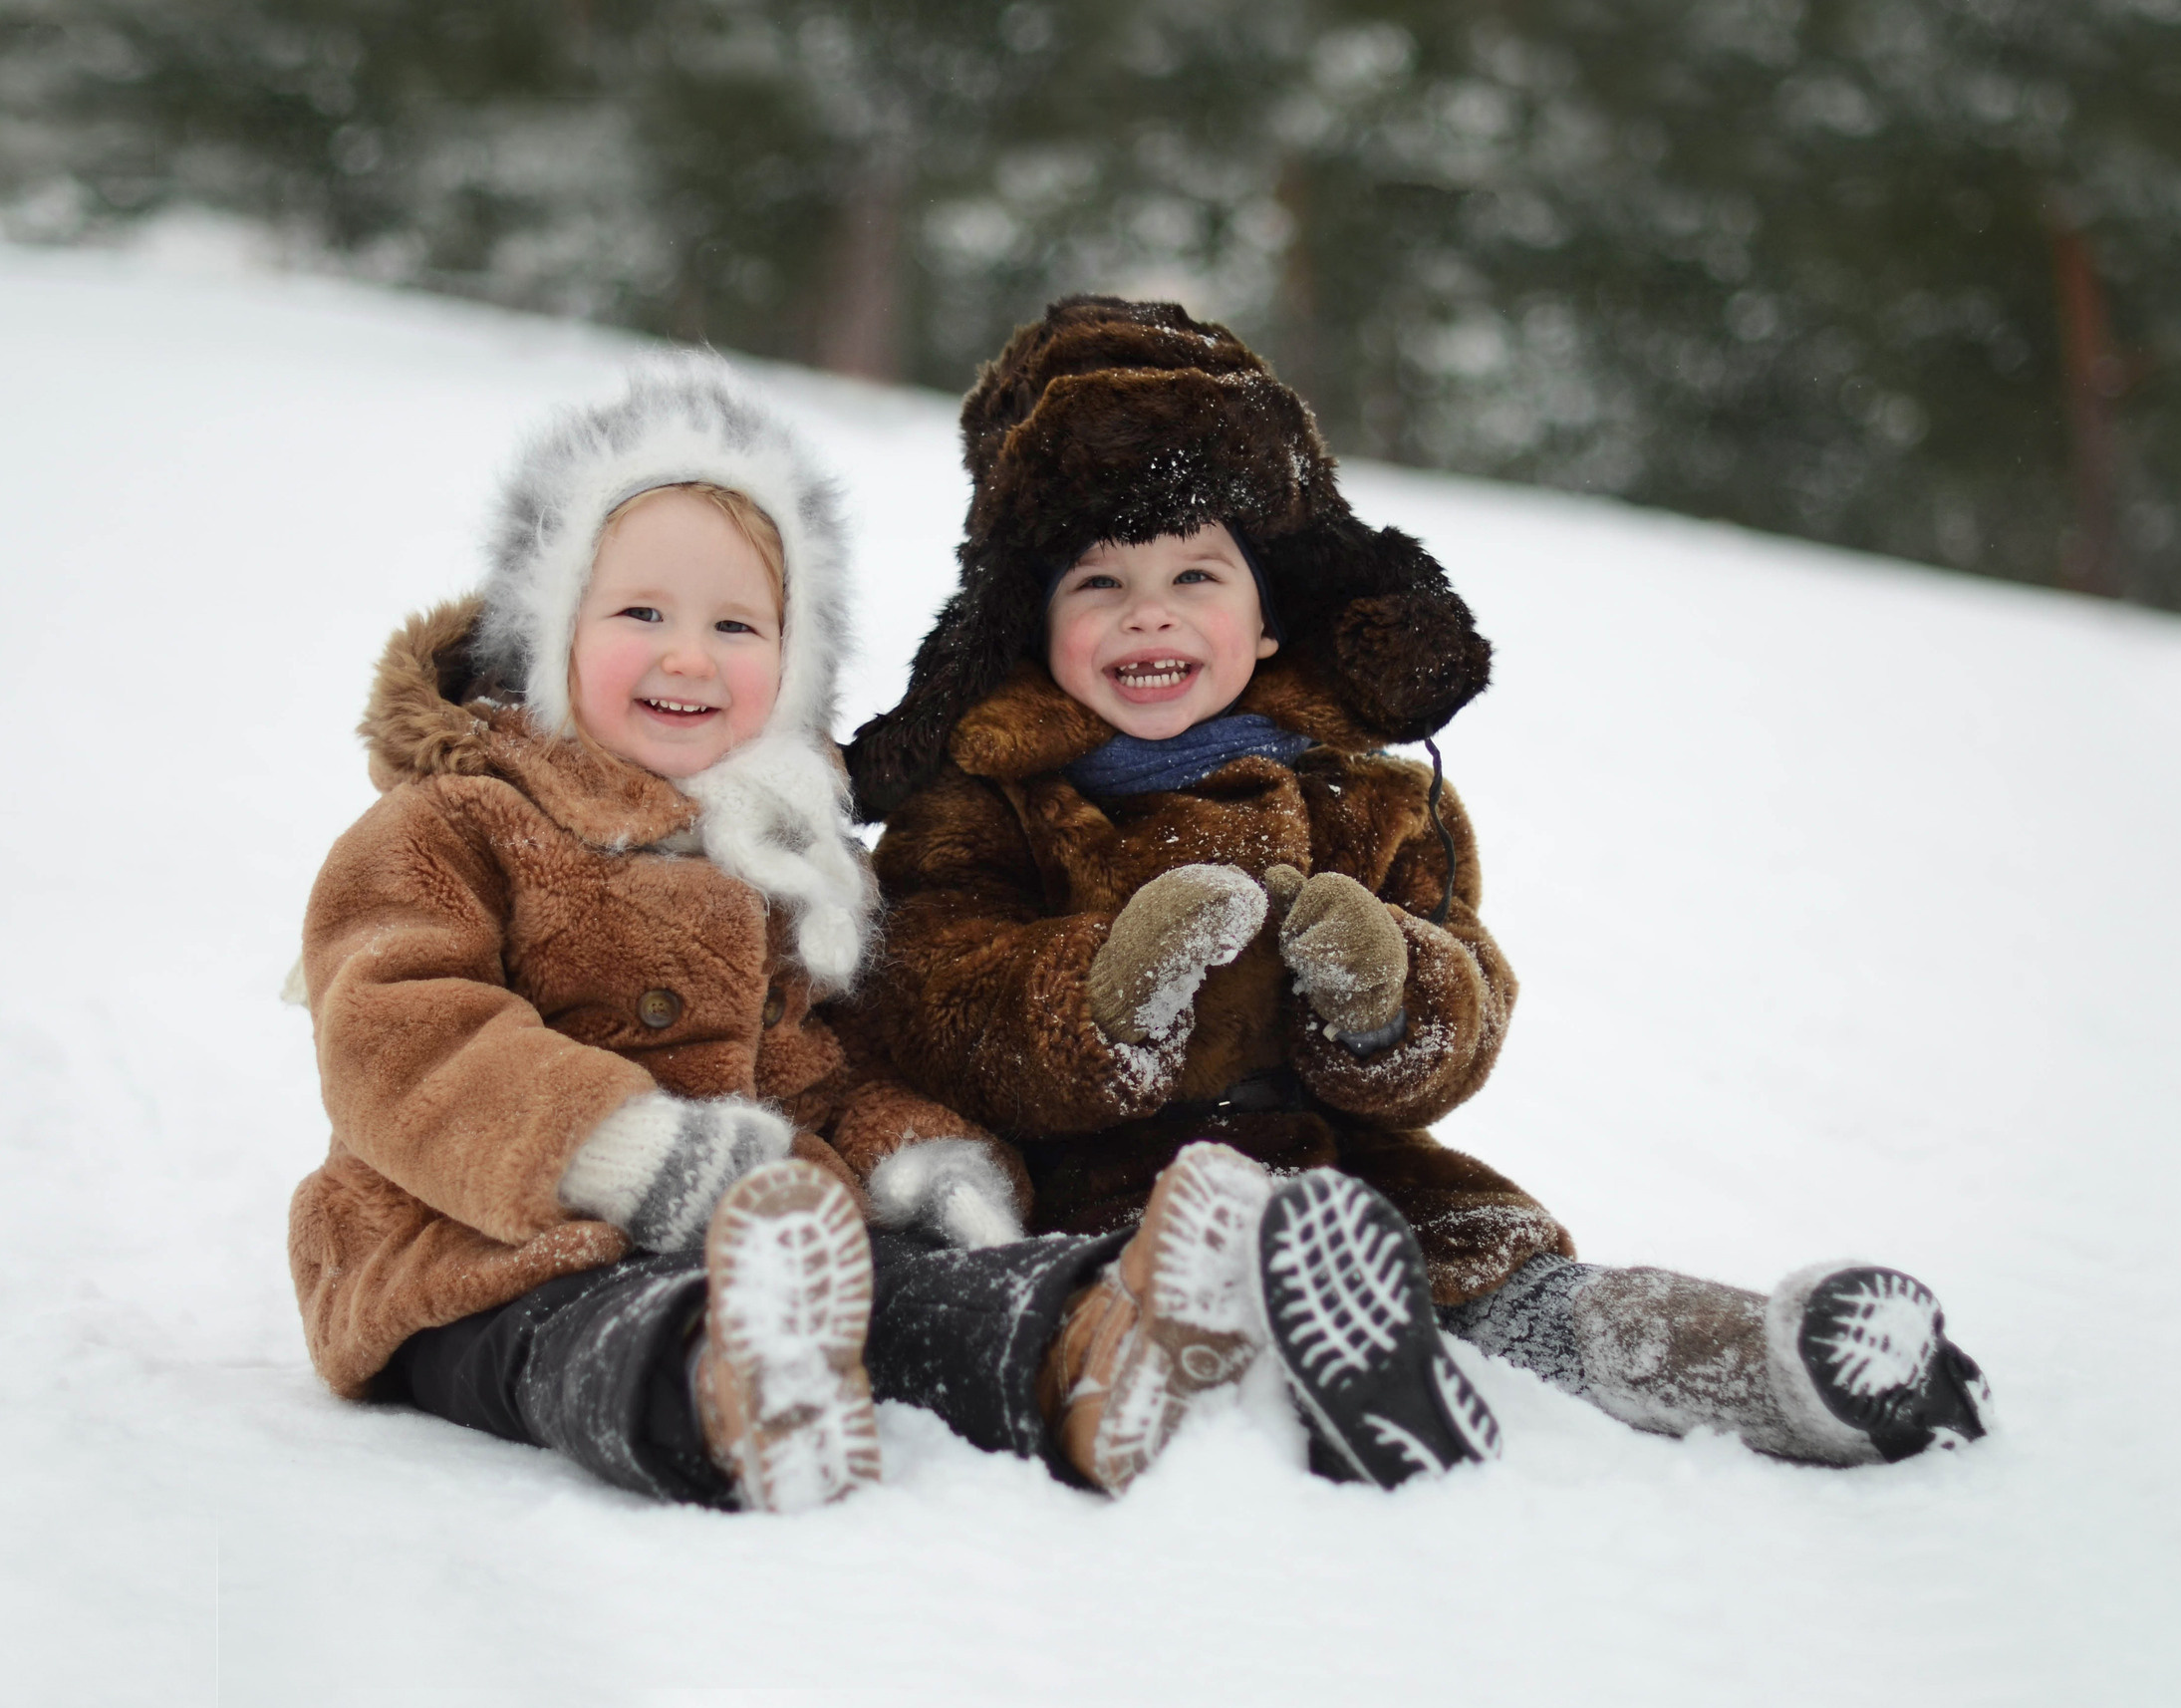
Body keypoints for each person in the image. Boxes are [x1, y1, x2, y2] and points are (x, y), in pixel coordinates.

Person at [286, 358, 1484, 1513]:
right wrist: (620, 1150)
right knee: (601, 1326)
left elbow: (841, 1059)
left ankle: (1095, 1341)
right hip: (475, 1250)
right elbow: (399, 1029)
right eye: (640, 612)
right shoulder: (455, 820)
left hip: (770, 1230)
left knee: (914, 1294)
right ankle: (734, 1393)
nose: (688, 655)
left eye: (738, 627)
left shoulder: (784, 851)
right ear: (549, 630)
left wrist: (922, 1158)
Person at [838, 297, 1990, 1470]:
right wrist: (1102, 993)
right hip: (1098, 1186)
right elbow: (923, 989)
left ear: (1270, 620)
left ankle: (1765, 1364)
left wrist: (1384, 997)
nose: (1150, 613)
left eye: (1195, 573)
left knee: (1515, 1284)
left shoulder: (1371, 800)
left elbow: (1469, 1011)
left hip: (1359, 1179)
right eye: (1097, 584)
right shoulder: (987, 803)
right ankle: (1316, 1369)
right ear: (1031, 629)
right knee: (1170, 1280)